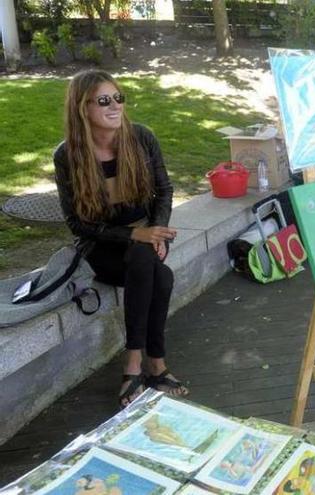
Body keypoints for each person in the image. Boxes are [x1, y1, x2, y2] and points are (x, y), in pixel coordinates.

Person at [53, 70, 187, 407]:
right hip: (101, 247)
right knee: (160, 273)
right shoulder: (68, 155)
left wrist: (156, 231)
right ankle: (151, 363)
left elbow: (164, 191)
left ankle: (137, 365)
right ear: (82, 108)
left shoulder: (141, 138)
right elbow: (77, 224)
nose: (114, 106)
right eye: (103, 100)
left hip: (145, 235)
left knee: (147, 258)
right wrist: (134, 234)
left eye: (118, 98)